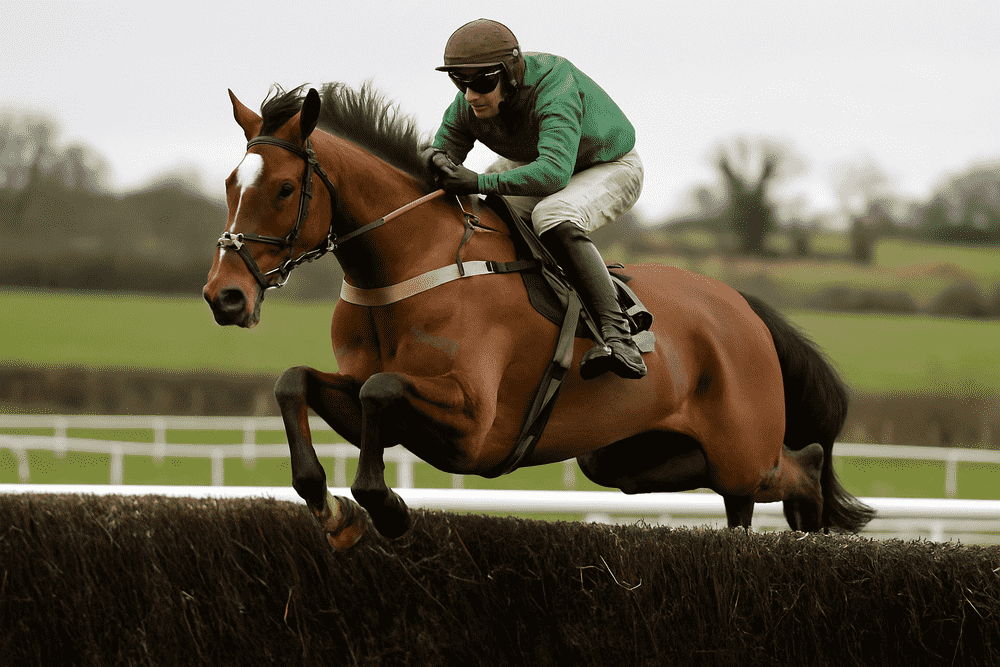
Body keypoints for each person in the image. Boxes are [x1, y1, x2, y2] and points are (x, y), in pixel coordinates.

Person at [423, 18, 647, 380]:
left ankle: (619, 337)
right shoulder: (469, 102)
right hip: (540, 161)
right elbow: (441, 151)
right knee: (484, 213)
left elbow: (554, 173)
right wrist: (434, 159)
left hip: (609, 165)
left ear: (510, 74)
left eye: (482, 82)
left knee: (552, 213)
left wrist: (478, 178)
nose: (471, 95)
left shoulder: (554, 86)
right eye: (460, 82)